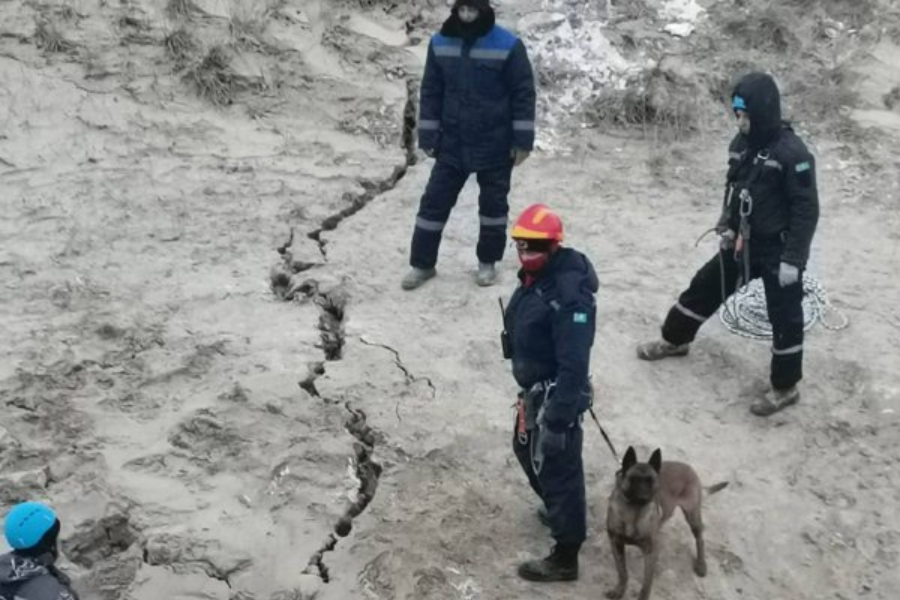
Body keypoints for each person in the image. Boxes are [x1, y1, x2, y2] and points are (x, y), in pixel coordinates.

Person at [637, 72, 819, 416]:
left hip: (779, 251)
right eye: (737, 114)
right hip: (743, 243)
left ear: (762, 112)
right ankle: (675, 340)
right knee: (704, 287)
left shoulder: (794, 154)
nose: (739, 120)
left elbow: (806, 210)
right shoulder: (740, 145)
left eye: (744, 114)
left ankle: (785, 387)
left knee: (785, 317)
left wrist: (793, 261)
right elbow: (736, 189)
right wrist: (728, 226)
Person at [402, 0, 536, 290]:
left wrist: (522, 141)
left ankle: (487, 264)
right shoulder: (440, 42)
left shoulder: (508, 45)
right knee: (433, 205)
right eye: (461, 10)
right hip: (452, 142)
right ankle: (422, 265)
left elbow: (523, 94)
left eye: (471, 11)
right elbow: (432, 91)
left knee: (492, 208)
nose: (466, 16)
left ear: (483, 11)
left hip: (496, 144)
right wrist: (427, 136)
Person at [503, 203, 598, 581]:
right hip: (534, 393)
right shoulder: (536, 280)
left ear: (554, 246)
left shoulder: (569, 297)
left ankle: (565, 556)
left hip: (556, 399)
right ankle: (559, 509)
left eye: (534, 248)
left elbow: (575, 363)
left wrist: (558, 418)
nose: (526, 255)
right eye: (521, 247)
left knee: (559, 468)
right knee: (524, 448)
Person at [1, 501, 78, 599]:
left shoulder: (4, 567)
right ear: (49, 546)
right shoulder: (55, 594)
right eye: (57, 537)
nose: (61, 540)